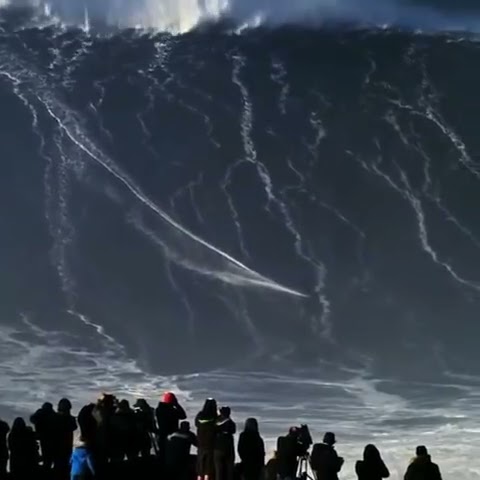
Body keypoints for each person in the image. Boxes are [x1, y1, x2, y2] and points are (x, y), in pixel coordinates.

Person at [156, 392, 187, 466]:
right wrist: (177, 404)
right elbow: (183, 416)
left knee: (162, 455)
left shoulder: (159, 409)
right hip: (172, 436)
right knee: (170, 456)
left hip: (161, 435)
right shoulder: (172, 411)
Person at [195, 398, 218, 480]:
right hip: (211, 445)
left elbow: (196, 424)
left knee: (200, 467)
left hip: (200, 444)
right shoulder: (215, 418)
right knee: (208, 469)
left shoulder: (199, 416)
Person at [31, 402, 58, 470]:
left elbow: (33, 419)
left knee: (47, 453)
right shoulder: (51, 413)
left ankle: (47, 466)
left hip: (46, 436)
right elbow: (33, 419)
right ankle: (48, 466)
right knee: (48, 453)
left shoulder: (45, 413)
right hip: (48, 436)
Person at [55, 398, 78, 476]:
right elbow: (74, 427)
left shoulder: (57, 417)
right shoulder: (68, 418)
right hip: (63, 445)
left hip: (62, 445)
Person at [214, 406, 236, 480]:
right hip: (229, 448)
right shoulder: (231, 423)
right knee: (229, 471)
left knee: (219, 470)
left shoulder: (216, 422)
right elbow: (233, 431)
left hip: (218, 448)